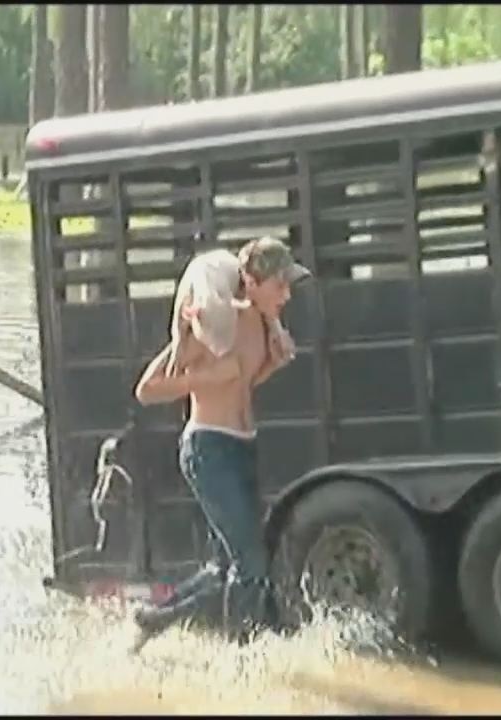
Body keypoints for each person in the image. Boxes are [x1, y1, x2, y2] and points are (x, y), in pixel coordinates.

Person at [130, 236, 310, 651]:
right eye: (280, 285)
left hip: (243, 447)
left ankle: (155, 619)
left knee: (224, 565)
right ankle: (242, 658)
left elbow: (243, 383)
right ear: (252, 281)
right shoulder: (212, 323)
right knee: (251, 564)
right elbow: (148, 389)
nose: (286, 295)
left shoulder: (263, 324)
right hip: (208, 450)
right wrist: (208, 377)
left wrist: (273, 363)